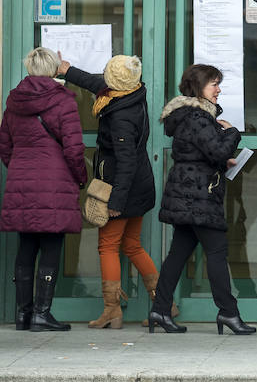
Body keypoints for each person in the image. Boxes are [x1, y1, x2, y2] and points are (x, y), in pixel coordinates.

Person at [58, 55, 169, 329]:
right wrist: (68, 70)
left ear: (115, 82)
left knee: (107, 246)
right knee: (131, 245)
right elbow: (96, 83)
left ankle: (112, 310)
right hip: (140, 185)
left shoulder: (119, 114)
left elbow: (126, 161)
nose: (104, 78)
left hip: (123, 188)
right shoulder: (132, 91)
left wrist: (116, 201)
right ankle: (165, 305)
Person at [148, 64, 255, 335]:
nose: (218, 90)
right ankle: (229, 313)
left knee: (177, 255)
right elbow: (217, 150)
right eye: (214, 84)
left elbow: (201, 153)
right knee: (217, 253)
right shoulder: (198, 117)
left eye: (219, 84)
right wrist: (232, 133)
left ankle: (160, 310)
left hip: (187, 192)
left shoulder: (189, 116)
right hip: (198, 196)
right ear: (199, 88)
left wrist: (221, 159)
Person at [1, 47, 87, 332]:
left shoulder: (13, 101)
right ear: (52, 69)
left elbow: (4, 146)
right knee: (51, 245)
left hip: (21, 180)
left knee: (27, 245)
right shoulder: (63, 101)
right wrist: (80, 177)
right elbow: (74, 148)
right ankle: (41, 313)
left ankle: (23, 315)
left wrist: (19, 168)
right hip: (55, 180)